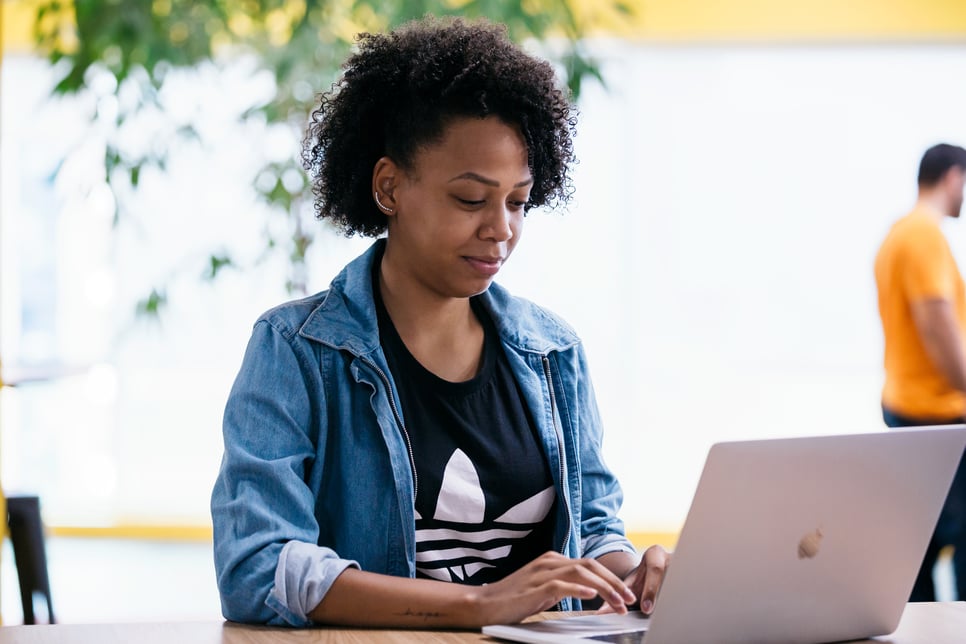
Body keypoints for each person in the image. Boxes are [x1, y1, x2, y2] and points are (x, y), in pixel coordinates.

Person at [211, 16, 669, 628]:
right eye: (471, 200)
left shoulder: (553, 351)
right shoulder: (296, 352)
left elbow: (591, 528)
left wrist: (634, 574)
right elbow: (258, 568)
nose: (500, 229)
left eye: (518, 202)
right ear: (390, 187)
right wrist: (479, 605)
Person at [874, 142, 966, 601]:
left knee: (918, 551)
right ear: (953, 177)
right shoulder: (923, 237)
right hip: (939, 418)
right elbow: (941, 335)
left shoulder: (897, 235)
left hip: (909, 410)